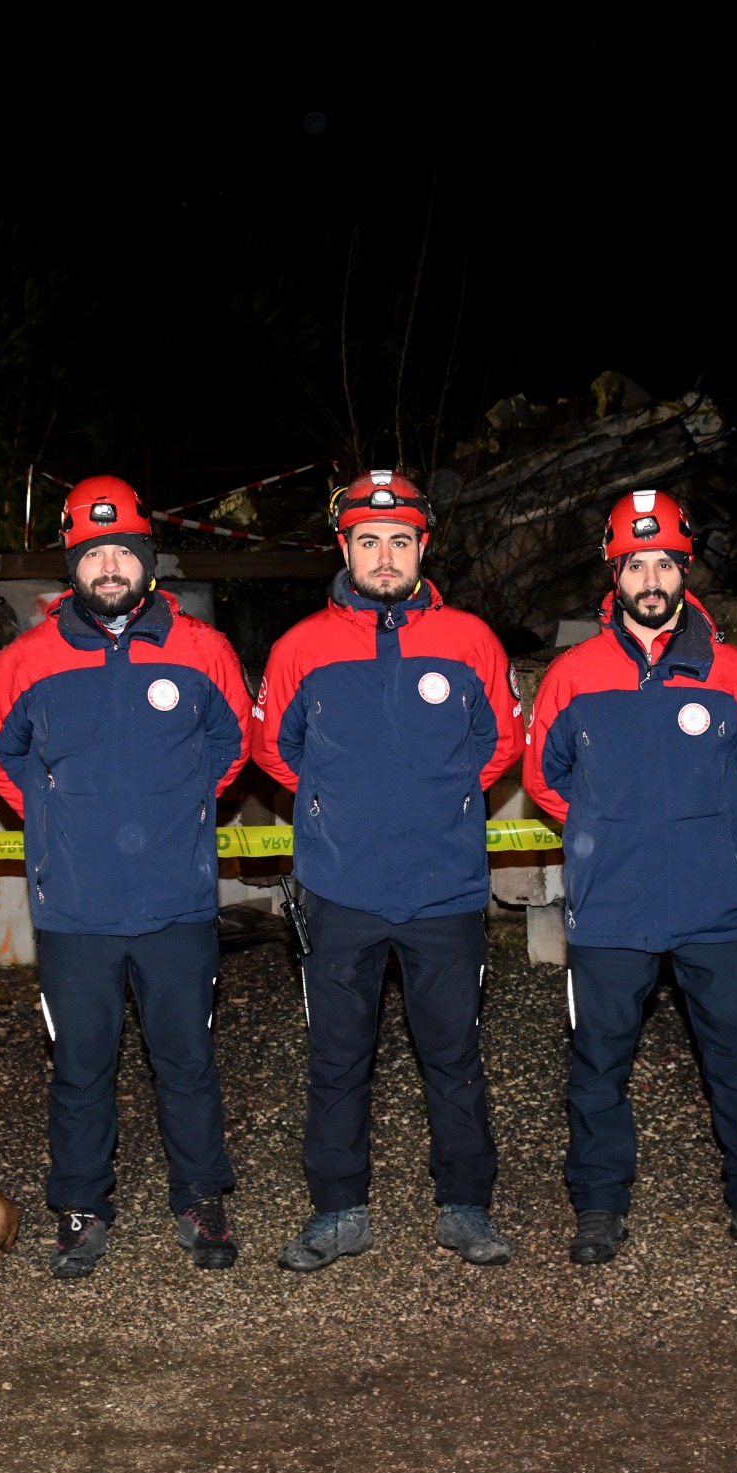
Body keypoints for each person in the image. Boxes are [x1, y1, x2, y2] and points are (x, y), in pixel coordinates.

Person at [0, 476, 255, 1280]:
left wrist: (180, 806)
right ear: (73, 566)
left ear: (147, 560)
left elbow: (233, 744)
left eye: (122, 553)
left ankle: (201, 1198)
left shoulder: (203, 649)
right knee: (80, 1068)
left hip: (177, 903)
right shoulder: (25, 659)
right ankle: (80, 1207)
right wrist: (57, 815)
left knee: (187, 1061)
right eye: (93, 554)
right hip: (75, 909)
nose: (108, 567)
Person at [250, 469, 524, 1271]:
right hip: (341, 891)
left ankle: (466, 1207)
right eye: (368, 541)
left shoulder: (470, 640)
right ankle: (339, 1211)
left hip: (445, 889)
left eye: (399, 541)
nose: (383, 557)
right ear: (344, 548)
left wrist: (442, 798)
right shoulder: (300, 647)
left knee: (455, 1055)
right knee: (337, 1059)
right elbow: (274, 750)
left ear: (422, 547)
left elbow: (501, 743)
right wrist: (337, 801)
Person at [523, 489, 737, 1264]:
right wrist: (607, 831)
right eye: (635, 565)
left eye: (665, 565)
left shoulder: (733, 672)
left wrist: (705, 835)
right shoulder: (573, 675)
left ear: (686, 569)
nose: (651, 580)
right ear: (613, 574)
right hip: (609, 907)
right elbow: (545, 778)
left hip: (713, 905)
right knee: (598, 1066)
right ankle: (599, 1205)